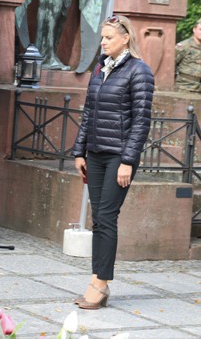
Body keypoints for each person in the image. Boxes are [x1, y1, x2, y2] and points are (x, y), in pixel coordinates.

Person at [72, 15, 154, 310]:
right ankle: (97, 279)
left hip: (119, 156)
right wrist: (79, 152)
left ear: (125, 39)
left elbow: (141, 121)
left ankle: (100, 283)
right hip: (95, 154)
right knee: (99, 219)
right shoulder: (100, 69)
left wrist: (128, 161)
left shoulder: (139, 71)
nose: (103, 42)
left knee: (106, 217)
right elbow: (88, 113)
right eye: (102, 37)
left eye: (108, 37)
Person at [174, 18, 201, 93]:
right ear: (194, 29)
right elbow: (171, 66)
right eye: (200, 29)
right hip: (184, 88)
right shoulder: (183, 46)